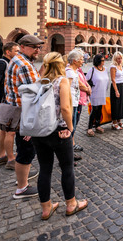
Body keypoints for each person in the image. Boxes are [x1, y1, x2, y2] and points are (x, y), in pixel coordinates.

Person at [32, 52, 88, 220]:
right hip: (59, 132)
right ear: (61, 65)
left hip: (40, 132)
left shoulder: (38, 82)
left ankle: (46, 208)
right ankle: (71, 204)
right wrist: (70, 129)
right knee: (67, 167)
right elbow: (65, 108)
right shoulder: (61, 81)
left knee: (45, 169)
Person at [6, 34, 43, 199]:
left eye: (39, 47)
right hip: (25, 115)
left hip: (17, 111)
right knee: (26, 151)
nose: (38, 50)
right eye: (34, 47)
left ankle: (23, 177)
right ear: (23, 47)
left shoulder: (17, 60)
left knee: (24, 149)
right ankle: (22, 188)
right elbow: (36, 93)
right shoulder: (24, 65)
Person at [65, 50, 85, 159]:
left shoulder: (74, 71)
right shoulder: (69, 72)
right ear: (74, 61)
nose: (82, 61)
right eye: (81, 59)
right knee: (70, 128)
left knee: (72, 127)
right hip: (71, 104)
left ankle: (69, 152)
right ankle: (68, 155)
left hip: (75, 102)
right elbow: (66, 89)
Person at [86, 54, 108, 137]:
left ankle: (98, 125)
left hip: (102, 92)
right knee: (94, 110)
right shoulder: (92, 70)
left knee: (100, 109)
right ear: (98, 61)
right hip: (94, 92)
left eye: (104, 60)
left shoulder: (105, 69)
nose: (103, 62)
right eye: (102, 60)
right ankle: (90, 127)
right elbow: (86, 80)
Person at [110, 51, 123, 130]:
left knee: (121, 104)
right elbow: (113, 80)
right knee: (115, 105)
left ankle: (119, 121)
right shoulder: (113, 67)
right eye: (118, 58)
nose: (120, 60)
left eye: (121, 58)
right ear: (115, 59)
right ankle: (114, 123)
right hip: (116, 86)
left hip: (122, 86)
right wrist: (116, 91)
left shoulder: (121, 66)